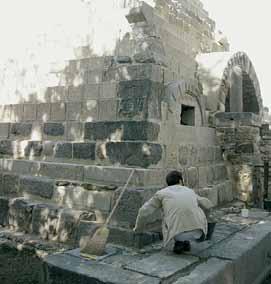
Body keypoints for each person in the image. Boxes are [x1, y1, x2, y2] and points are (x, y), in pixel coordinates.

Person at [133, 170, 214, 254]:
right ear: (180, 181)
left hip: (176, 234)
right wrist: (207, 218)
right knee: (193, 211)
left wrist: (138, 229)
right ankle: (185, 242)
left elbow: (143, 211)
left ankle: (180, 242)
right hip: (198, 233)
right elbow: (208, 205)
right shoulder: (190, 191)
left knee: (168, 215)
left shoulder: (161, 193)